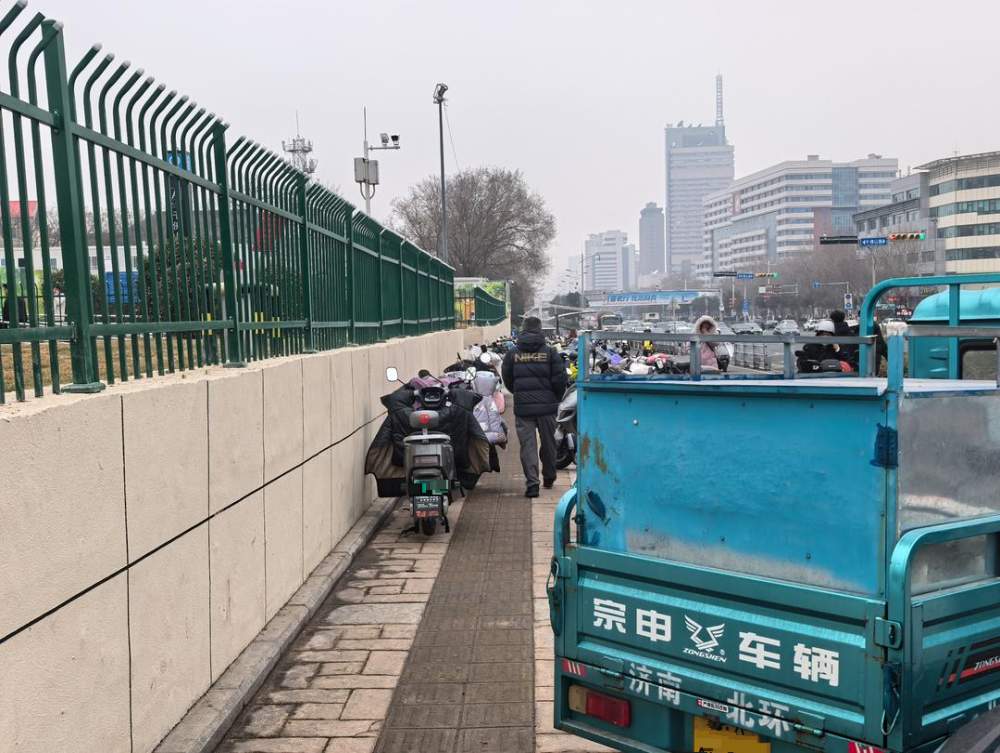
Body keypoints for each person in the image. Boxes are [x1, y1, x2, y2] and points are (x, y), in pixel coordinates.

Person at [501, 315, 567, 497]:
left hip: (524, 408)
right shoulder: (550, 352)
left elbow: (507, 379)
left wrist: (519, 393)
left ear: (522, 329)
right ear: (540, 330)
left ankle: (532, 485)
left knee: (527, 446)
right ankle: (549, 476)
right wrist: (555, 398)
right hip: (548, 407)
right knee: (549, 443)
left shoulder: (512, 353)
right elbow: (560, 379)